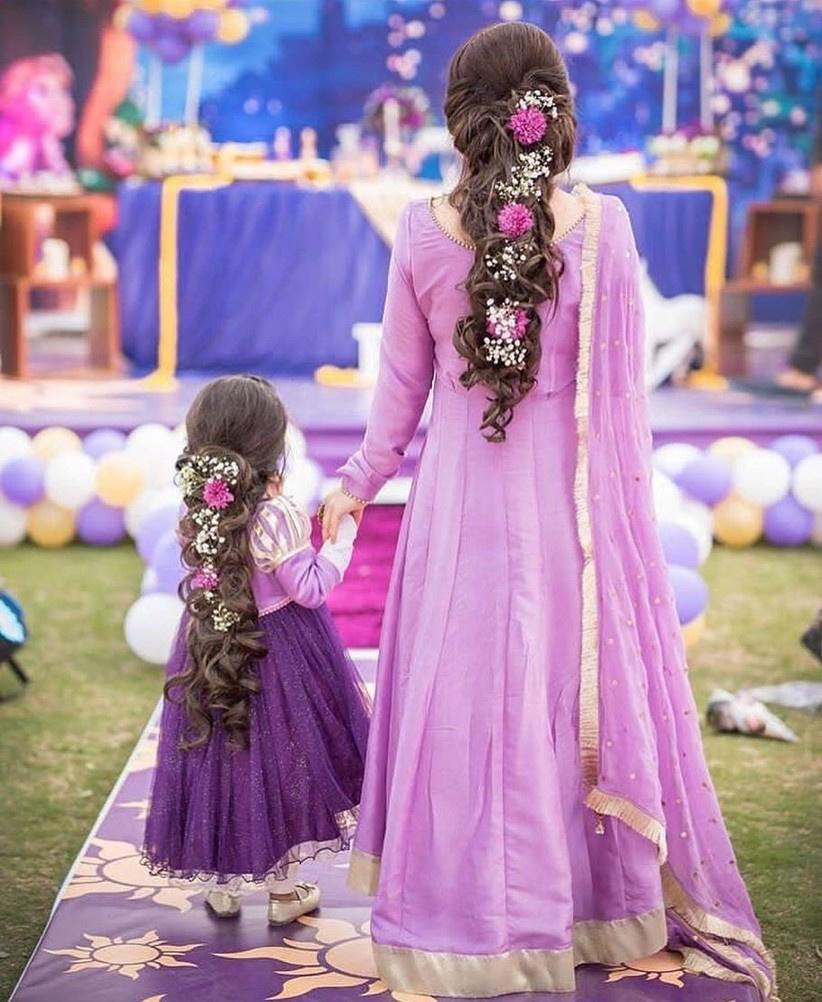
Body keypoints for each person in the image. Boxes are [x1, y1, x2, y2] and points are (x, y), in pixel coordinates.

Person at [322, 22, 776, 1001]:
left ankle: (458, 924)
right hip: (565, 515)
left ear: (459, 118)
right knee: (553, 704)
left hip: (456, 516)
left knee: (464, 706)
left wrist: (353, 487)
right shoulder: (602, 228)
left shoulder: (417, 229)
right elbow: (621, 404)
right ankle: (576, 913)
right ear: (553, 111)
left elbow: (399, 397)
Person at [143, 375, 370, 924]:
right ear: (272, 446)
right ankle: (284, 894)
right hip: (280, 655)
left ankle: (223, 886)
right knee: (284, 762)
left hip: (213, 647)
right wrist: (343, 538)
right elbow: (310, 589)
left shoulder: (204, 512)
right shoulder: (278, 515)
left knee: (221, 756)